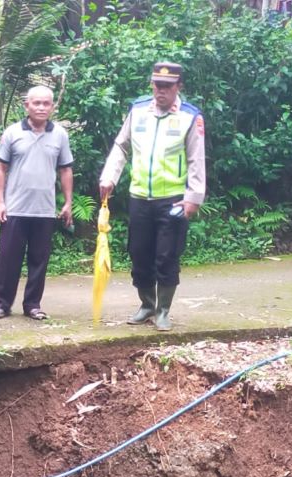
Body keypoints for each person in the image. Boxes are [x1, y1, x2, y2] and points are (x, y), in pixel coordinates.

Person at [99, 62, 206, 331]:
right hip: (139, 198)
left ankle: (163, 310)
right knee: (139, 253)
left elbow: (196, 160)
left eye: (168, 86)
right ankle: (146, 304)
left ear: (178, 86)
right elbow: (121, 147)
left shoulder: (190, 117)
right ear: (151, 85)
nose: (162, 91)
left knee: (167, 257)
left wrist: (194, 197)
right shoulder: (137, 111)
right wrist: (110, 176)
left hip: (172, 199)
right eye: (157, 85)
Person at [0, 85, 74, 321]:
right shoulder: (12, 133)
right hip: (15, 207)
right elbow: (0, 168)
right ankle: (2, 304)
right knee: (8, 259)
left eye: (46, 103)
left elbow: (65, 169)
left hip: (45, 210)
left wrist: (67, 202)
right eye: (37, 103)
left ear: (53, 106)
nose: (41, 107)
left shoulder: (60, 135)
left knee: (39, 260)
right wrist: (0, 202)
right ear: (27, 105)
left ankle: (33, 305)